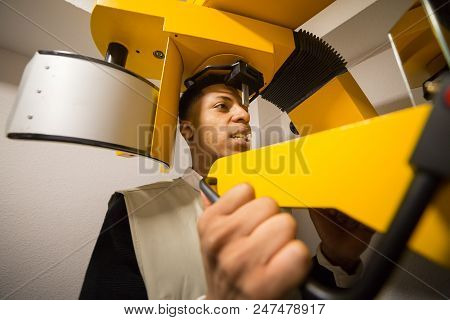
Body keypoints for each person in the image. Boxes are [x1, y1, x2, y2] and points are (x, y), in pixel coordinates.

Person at [79, 75, 374, 299]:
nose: (244, 116)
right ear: (188, 130)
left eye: (244, 109)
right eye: (223, 106)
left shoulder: (274, 204)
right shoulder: (132, 211)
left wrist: (335, 260)